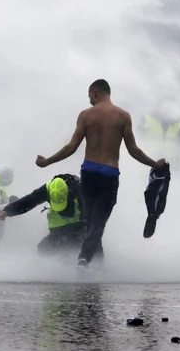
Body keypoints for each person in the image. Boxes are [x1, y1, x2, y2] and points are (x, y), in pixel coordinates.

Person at [36, 79, 165, 270]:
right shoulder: (123, 116)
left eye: (89, 96)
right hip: (109, 175)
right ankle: (85, 260)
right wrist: (154, 164)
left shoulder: (86, 115)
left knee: (90, 222)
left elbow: (71, 147)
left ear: (95, 93)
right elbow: (133, 150)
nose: (89, 100)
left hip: (88, 173)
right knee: (97, 224)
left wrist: (47, 161)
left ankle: (91, 262)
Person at [0, 174, 101, 257]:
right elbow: (28, 201)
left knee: (90, 245)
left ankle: (95, 270)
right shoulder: (48, 189)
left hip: (79, 227)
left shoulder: (81, 191)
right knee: (44, 248)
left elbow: (93, 219)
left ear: (68, 192)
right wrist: (7, 211)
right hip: (58, 229)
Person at [142, 98, 180, 170]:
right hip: (148, 164)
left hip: (170, 167)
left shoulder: (179, 125)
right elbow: (135, 140)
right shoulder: (146, 119)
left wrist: (179, 165)